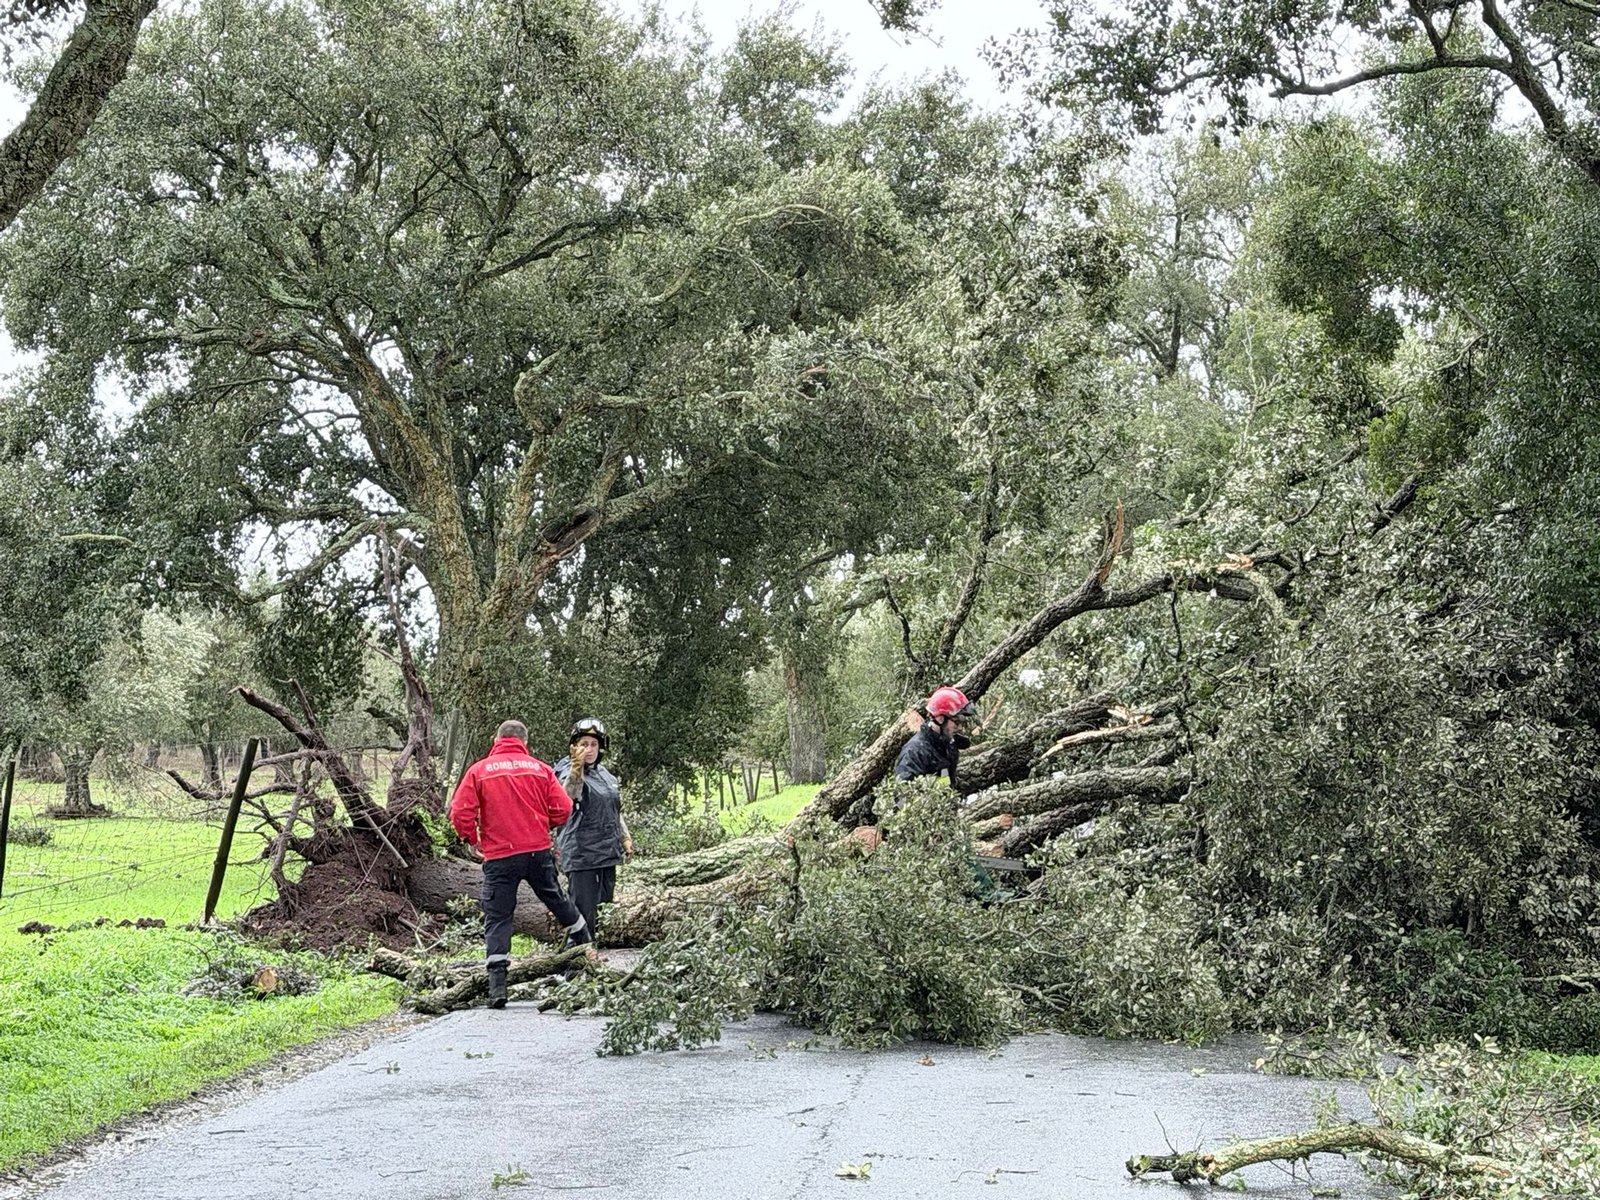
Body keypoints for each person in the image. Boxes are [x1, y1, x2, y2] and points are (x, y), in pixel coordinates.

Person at [449, 719, 594, 1009]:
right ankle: (584, 940)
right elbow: (563, 808)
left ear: (496, 739)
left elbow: (460, 811)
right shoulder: (539, 769)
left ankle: (497, 986)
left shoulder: (479, 771)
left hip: (500, 855)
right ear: (524, 743)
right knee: (556, 899)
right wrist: (545, 823)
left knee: (499, 915)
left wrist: (471, 838)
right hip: (537, 851)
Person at [553, 717, 633, 941]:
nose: (589, 749)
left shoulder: (606, 775)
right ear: (574, 747)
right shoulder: (567, 771)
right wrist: (577, 769)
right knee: (582, 914)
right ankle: (576, 961)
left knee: (603, 910)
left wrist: (625, 837)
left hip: (607, 853)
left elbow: (614, 810)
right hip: (582, 854)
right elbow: (567, 796)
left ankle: (594, 959)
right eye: (583, 744)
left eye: (594, 744)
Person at [895, 686, 978, 787]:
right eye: (956, 722)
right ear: (940, 719)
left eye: (961, 722)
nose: (959, 727)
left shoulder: (949, 744)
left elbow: (947, 783)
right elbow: (901, 797)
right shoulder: (913, 753)